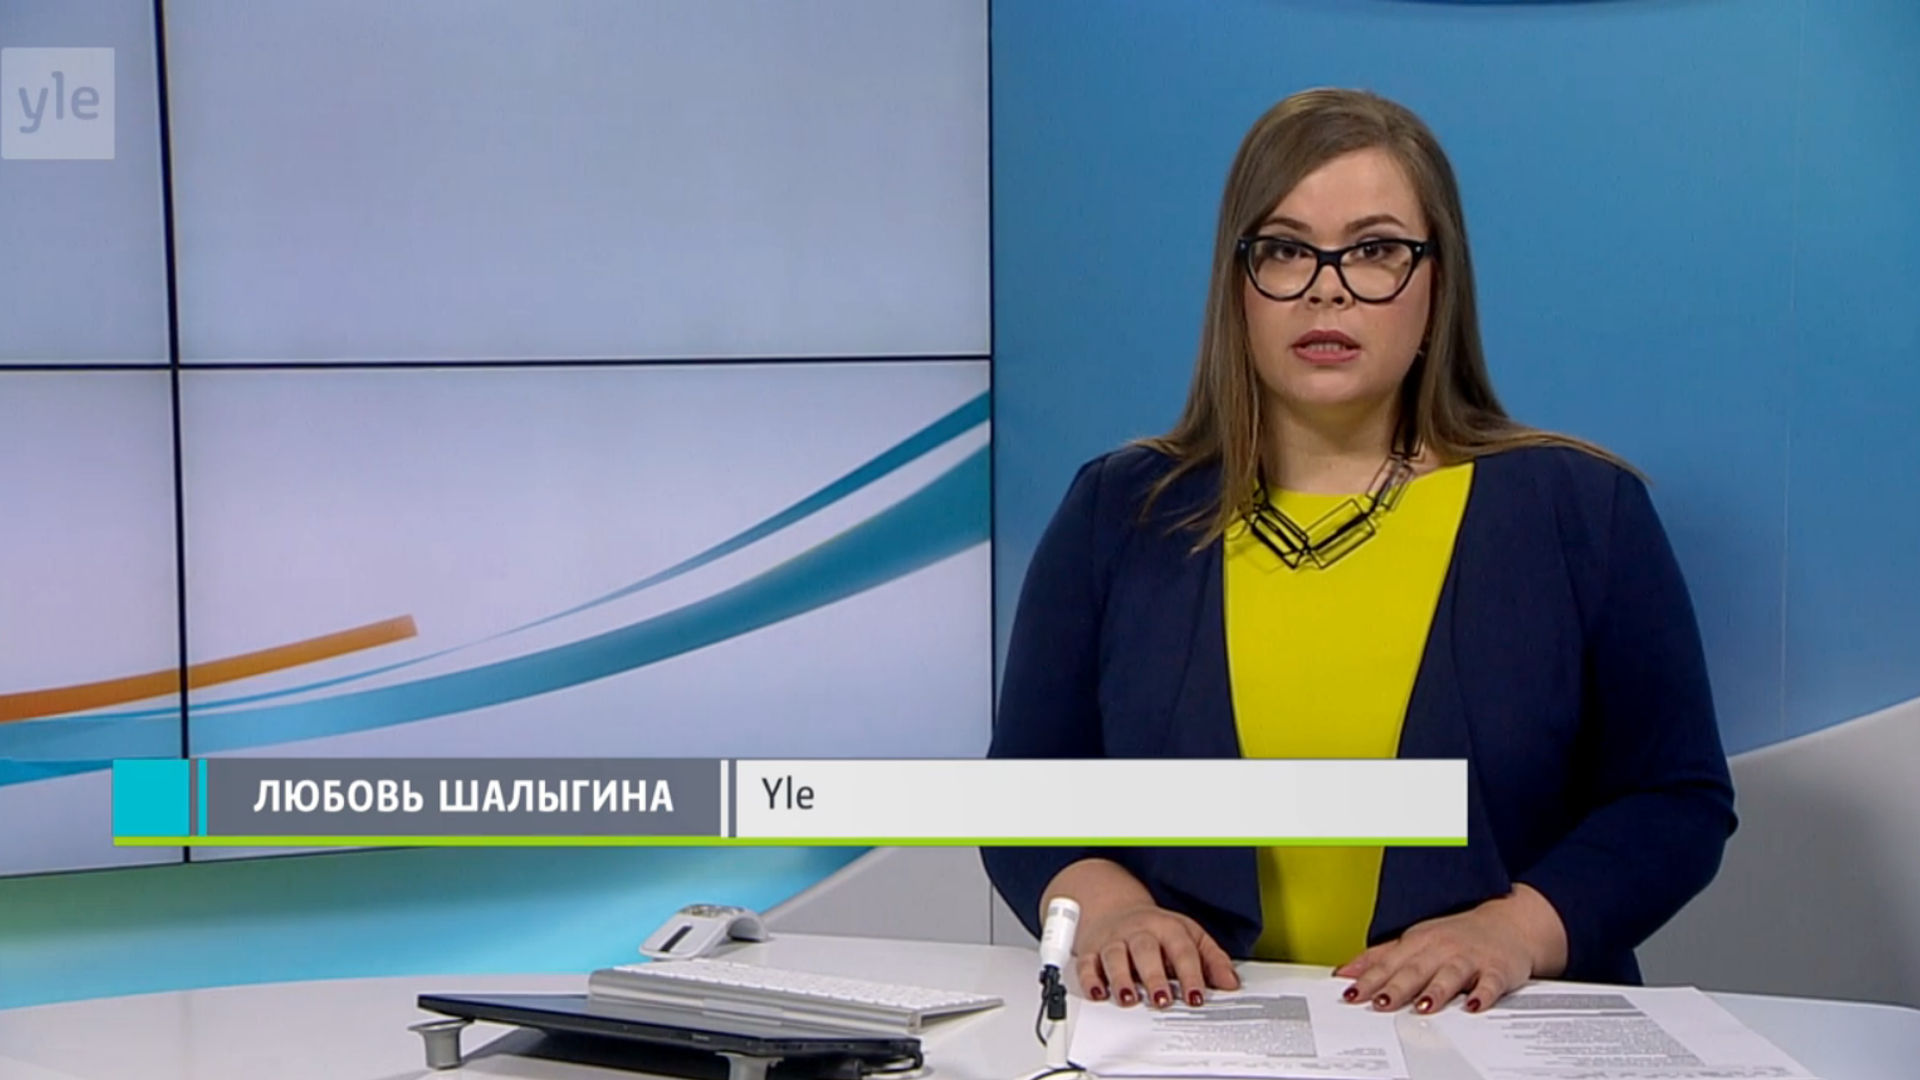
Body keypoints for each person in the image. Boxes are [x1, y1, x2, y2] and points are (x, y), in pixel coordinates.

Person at [981, 88, 1736, 1018]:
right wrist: (1112, 912)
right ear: (1237, 284)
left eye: (1375, 250)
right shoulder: (1121, 511)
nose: (1326, 287)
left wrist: (1514, 931)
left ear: (1438, 282)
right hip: (1191, 1034)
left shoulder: (1582, 511)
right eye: (1286, 249)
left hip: (1486, 1039)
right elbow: (1025, 797)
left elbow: (1673, 802)